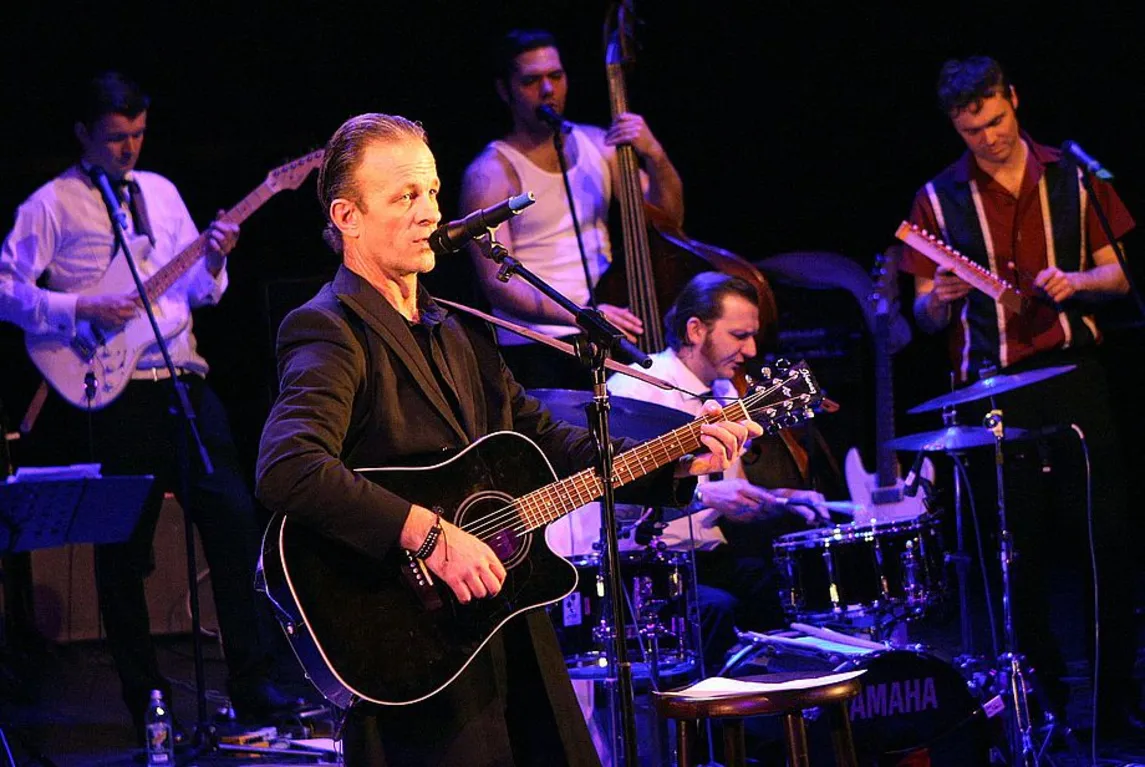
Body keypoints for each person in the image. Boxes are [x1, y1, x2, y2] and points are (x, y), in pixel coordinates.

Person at [253, 112, 759, 766]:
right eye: (404, 196)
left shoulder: (455, 328)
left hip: (503, 620)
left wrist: (678, 456)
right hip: (406, 636)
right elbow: (288, 466)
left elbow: (546, 440)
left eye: (432, 191)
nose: (429, 211)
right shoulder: (329, 328)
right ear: (347, 217)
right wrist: (430, 535)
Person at [0, 71, 296, 739]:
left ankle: (254, 683)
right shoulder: (51, 203)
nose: (129, 148)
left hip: (184, 378)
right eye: (115, 137)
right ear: (83, 134)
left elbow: (196, 292)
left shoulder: (160, 192)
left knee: (233, 524)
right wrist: (80, 306)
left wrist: (214, 259)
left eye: (137, 133)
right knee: (123, 550)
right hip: (117, 390)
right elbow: (6, 290)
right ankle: (147, 700)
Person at [899, 56, 1139, 737]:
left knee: (1102, 542)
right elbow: (922, 314)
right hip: (990, 390)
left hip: (1072, 374)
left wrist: (1076, 283)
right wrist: (940, 300)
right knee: (1016, 555)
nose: (989, 139)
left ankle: (1114, 704)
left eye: (996, 121)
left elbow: (1119, 275)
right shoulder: (937, 198)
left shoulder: (1073, 175)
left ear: (1014, 99)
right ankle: (1042, 707)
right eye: (971, 130)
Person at [606, 271, 831, 674]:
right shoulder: (636, 391)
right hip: (644, 570)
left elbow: (731, 492)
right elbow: (614, 504)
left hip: (708, 558)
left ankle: (787, 702)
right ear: (695, 330)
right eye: (739, 335)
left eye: (753, 336)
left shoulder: (725, 394)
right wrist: (700, 497)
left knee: (788, 584)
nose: (751, 350)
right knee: (716, 608)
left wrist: (784, 499)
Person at [458, 28, 685, 389]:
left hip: (604, 325)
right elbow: (497, 284)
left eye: (556, 76)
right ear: (505, 90)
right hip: (540, 344)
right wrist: (580, 315)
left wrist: (655, 155)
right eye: (531, 81)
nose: (548, 89)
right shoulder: (490, 173)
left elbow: (668, 221)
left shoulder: (599, 145)